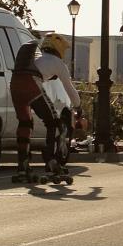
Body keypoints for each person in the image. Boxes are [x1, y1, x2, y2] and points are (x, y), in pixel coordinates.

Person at [10, 33, 81, 180]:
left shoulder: (38, 59)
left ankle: (23, 167)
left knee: (25, 123)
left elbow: (41, 72)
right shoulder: (58, 63)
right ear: (59, 48)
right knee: (54, 122)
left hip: (15, 84)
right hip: (31, 84)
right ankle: (51, 162)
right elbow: (69, 89)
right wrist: (78, 105)